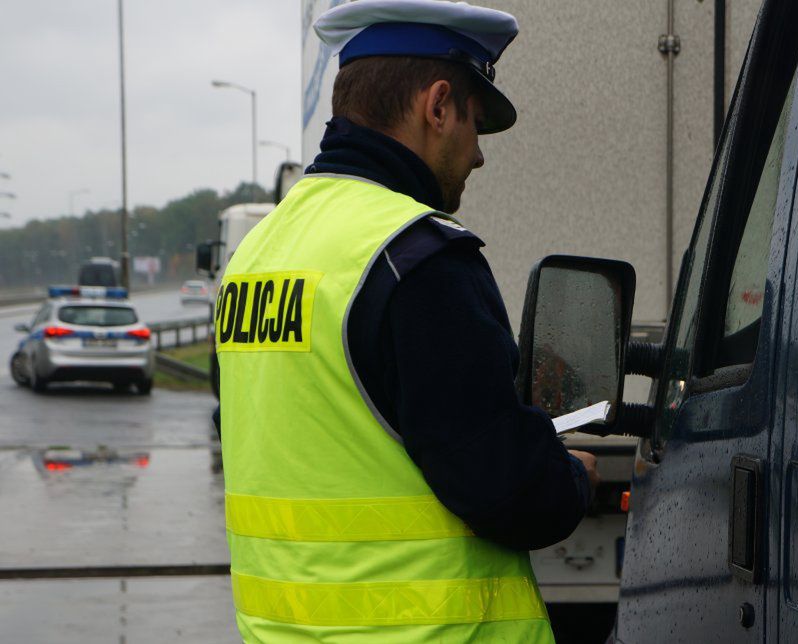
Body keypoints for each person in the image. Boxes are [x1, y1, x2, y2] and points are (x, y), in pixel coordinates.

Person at [215, 1, 599, 641]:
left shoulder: (254, 257)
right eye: (476, 123)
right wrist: (572, 479)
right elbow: (506, 489)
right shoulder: (415, 257)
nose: (477, 155)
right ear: (438, 105)